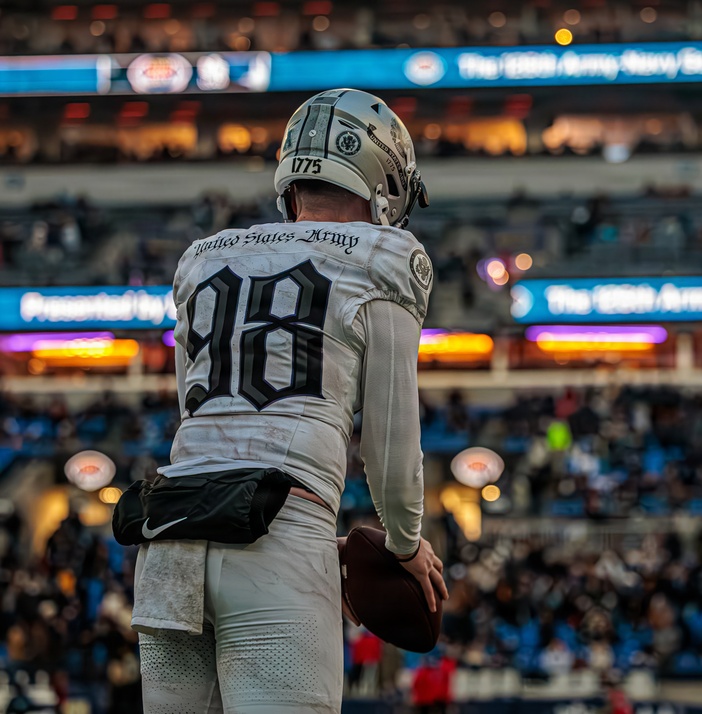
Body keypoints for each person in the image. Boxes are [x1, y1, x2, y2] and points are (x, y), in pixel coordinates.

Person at [135, 88, 448, 713]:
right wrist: (405, 544)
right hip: (279, 536)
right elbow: (390, 446)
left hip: (170, 536)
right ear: (384, 181)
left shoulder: (203, 258)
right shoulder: (385, 256)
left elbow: (198, 420)